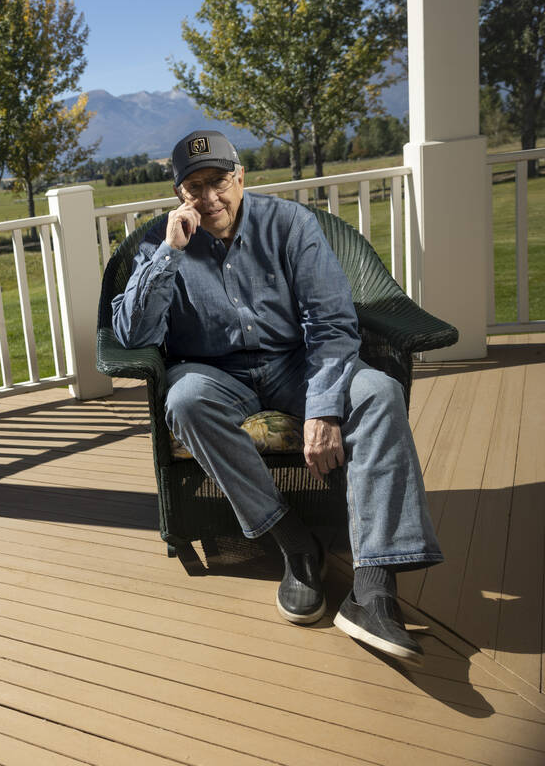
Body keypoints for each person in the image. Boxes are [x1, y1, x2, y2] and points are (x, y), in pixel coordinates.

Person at [111, 129, 442, 664]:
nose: (209, 197)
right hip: (217, 372)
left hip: (298, 364)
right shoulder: (159, 242)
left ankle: (375, 589)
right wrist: (168, 254)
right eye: (194, 187)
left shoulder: (290, 225)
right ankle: (294, 542)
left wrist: (324, 408)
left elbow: (332, 324)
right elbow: (133, 336)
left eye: (218, 180)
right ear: (179, 195)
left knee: (378, 392)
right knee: (186, 400)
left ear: (240, 177)